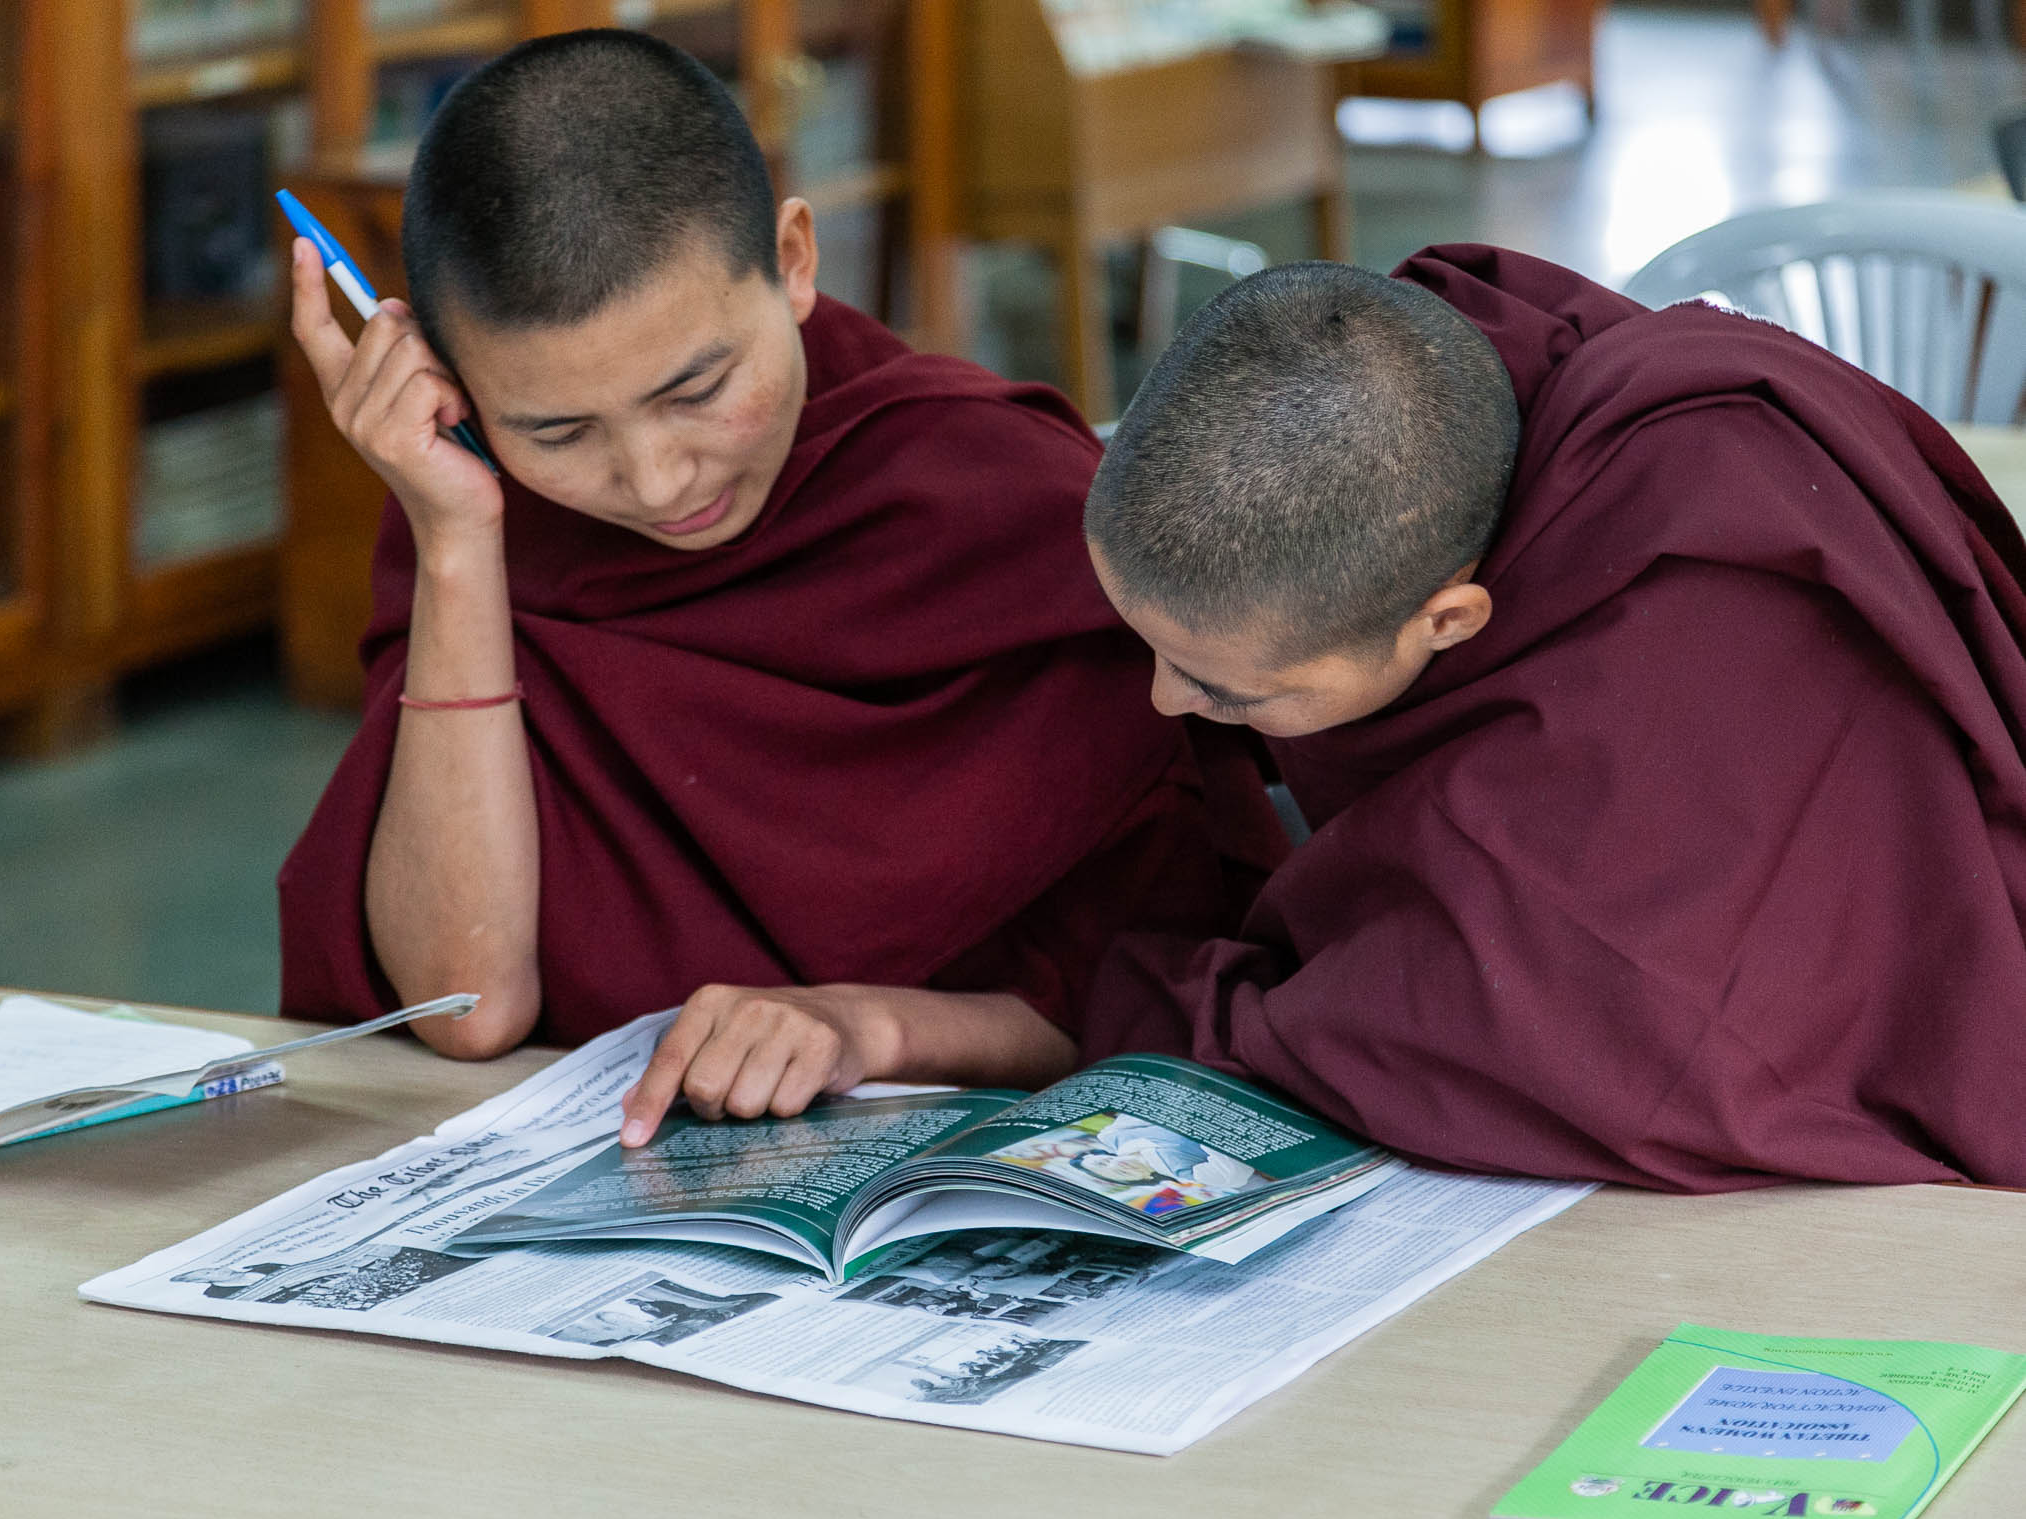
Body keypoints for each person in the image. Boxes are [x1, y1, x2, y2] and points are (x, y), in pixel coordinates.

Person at [706, 246, 2026, 1191]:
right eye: (1151, 651)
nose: (1170, 705)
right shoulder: (1444, 396)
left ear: (1449, 622)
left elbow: (1531, 1042)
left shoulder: (1673, 665)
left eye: (1232, 690)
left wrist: (914, 1029)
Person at [277, 29, 1280, 1102]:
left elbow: (1154, 991)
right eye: (560, 433)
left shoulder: (1006, 506)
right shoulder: (479, 516)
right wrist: (459, 542)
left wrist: (869, 1027)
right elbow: (466, 1007)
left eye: (697, 392)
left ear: (795, 260)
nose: (658, 482)